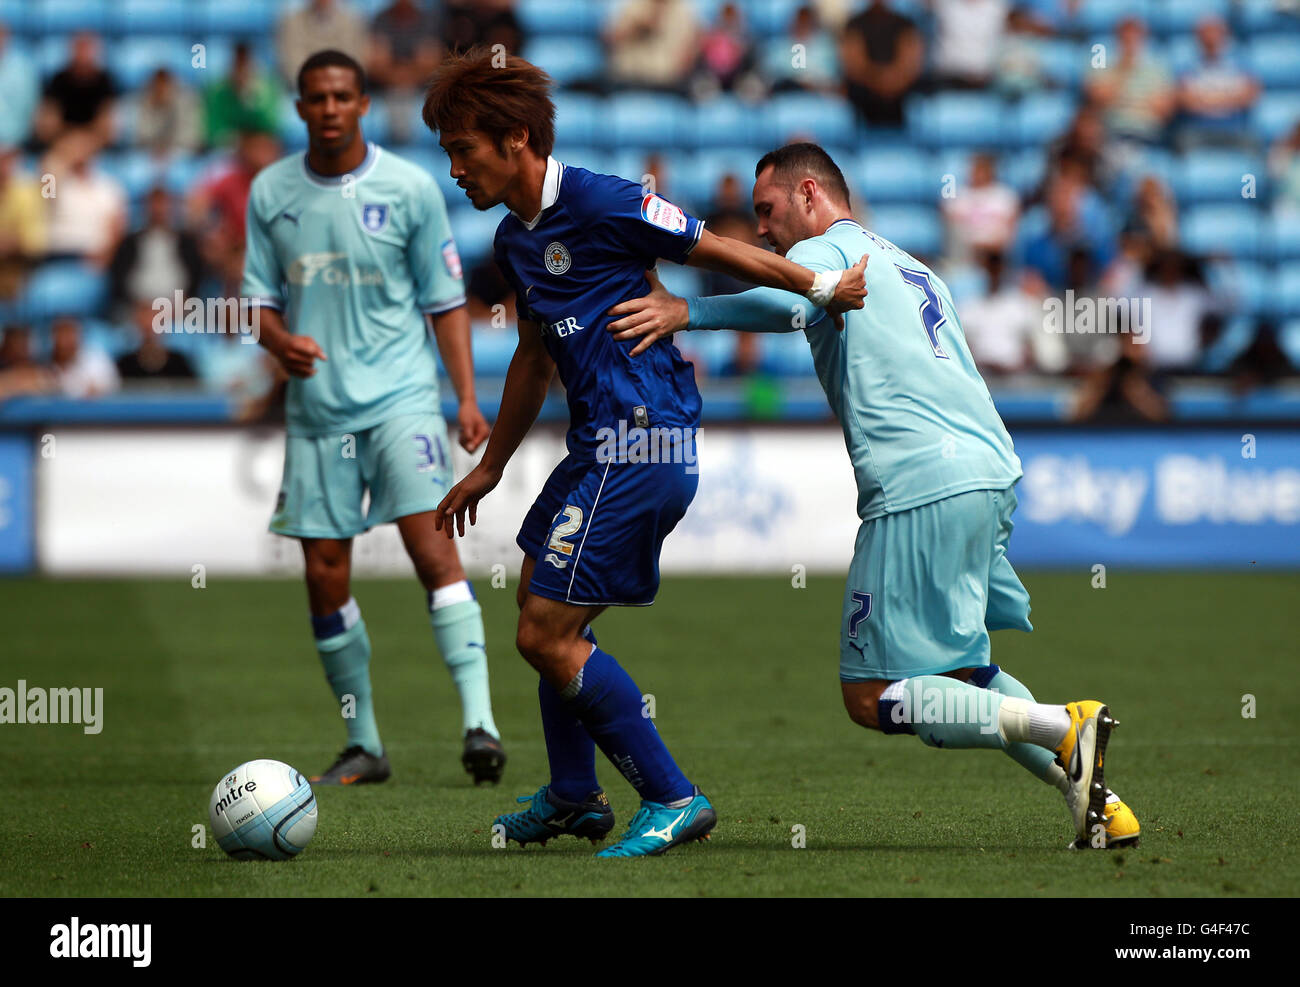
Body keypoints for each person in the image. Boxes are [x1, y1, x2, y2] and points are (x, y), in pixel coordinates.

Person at [605, 142, 1140, 850]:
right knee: (964, 674)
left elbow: (788, 298)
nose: (762, 230)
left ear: (808, 193)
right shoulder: (911, 263)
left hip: (920, 482)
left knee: (869, 696)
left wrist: (686, 312)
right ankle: (1101, 806)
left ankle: (1062, 725)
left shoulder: (831, 253)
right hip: (988, 468)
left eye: (766, 212)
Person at [422, 51, 866, 857]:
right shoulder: (516, 241)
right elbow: (532, 355)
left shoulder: (602, 200)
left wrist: (820, 288)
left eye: (463, 150)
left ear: (516, 138)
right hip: (599, 443)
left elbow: (716, 247)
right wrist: (490, 464)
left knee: (545, 634)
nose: (454, 169)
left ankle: (672, 795)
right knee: (538, 597)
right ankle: (572, 792)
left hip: (644, 438)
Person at [240, 49, 506, 787]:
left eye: (342, 96)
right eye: (316, 98)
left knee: (434, 554)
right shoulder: (271, 192)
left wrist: (466, 398)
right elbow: (256, 299)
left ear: (362, 104)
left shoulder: (411, 188)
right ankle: (364, 743)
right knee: (325, 575)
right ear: (299, 108)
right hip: (319, 410)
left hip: (402, 402)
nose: (328, 108)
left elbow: (444, 301)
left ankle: (480, 723)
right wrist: (278, 339)